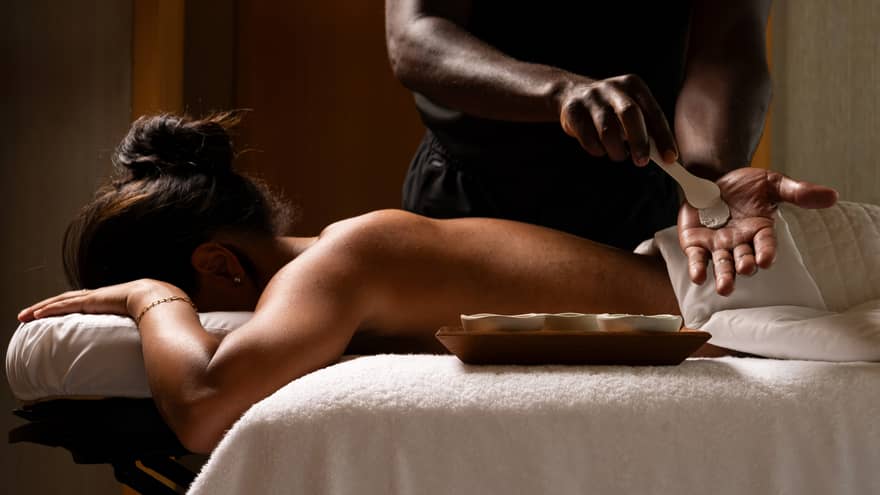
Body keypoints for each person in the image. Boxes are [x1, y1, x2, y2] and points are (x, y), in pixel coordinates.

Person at [17, 113, 836, 454]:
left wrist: (146, 301)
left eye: (196, 301)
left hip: (766, 284)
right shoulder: (350, 264)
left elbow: (201, 405)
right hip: (749, 285)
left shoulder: (345, 258)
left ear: (218, 264)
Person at [386, 0, 773, 257]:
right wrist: (559, 92)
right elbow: (416, 34)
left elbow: (726, 46)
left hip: (635, 197)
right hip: (472, 194)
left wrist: (707, 184)